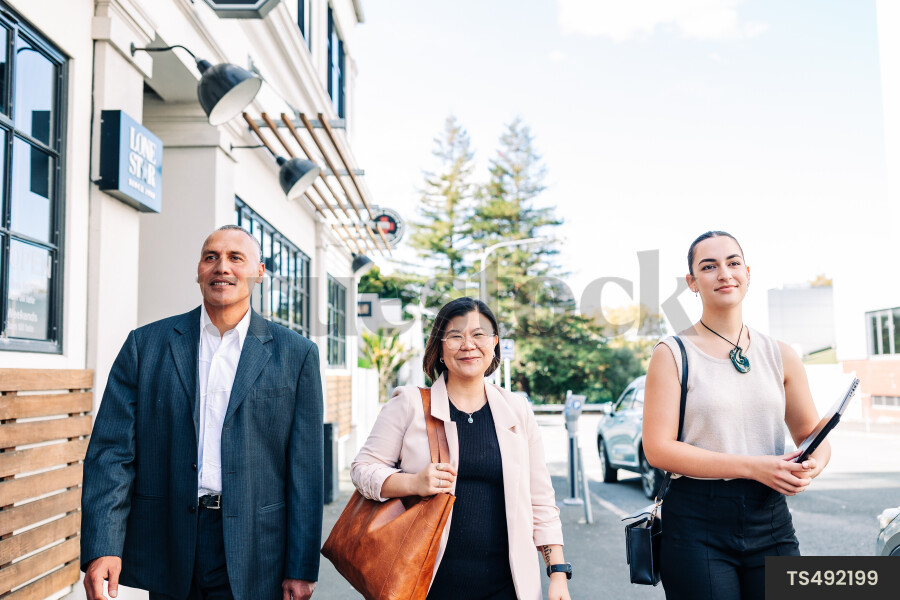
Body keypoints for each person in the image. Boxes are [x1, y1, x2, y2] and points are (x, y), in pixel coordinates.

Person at [80, 225, 324, 600]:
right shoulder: (145, 346)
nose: (221, 267)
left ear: (259, 272)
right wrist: (103, 545)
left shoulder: (296, 354)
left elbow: (305, 470)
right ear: (198, 271)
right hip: (171, 540)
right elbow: (111, 454)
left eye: (235, 258)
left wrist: (302, 566)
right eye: (211, 257)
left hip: (258, 548)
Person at [643, 230, 831, 600]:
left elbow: (810, 432)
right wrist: (752, 466)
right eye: (709, 266)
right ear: (692, 282)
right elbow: (658, 449)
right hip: (697, 523)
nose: (724, 274)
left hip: (771, 518)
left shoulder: (780, 354)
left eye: (732, 263)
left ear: (747, 272)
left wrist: (814, 464)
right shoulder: (672, 352)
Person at [351, 297, 572, 600]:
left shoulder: (517, 411)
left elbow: (541, 500)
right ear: (439, 348)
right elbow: (363, 469)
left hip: (507, 587)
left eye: (479, 334)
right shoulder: (410, 404)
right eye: (455, 335)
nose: (468, 344)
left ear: (494, 343)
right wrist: (413, 482)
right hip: (426, 584)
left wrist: (558, 573)